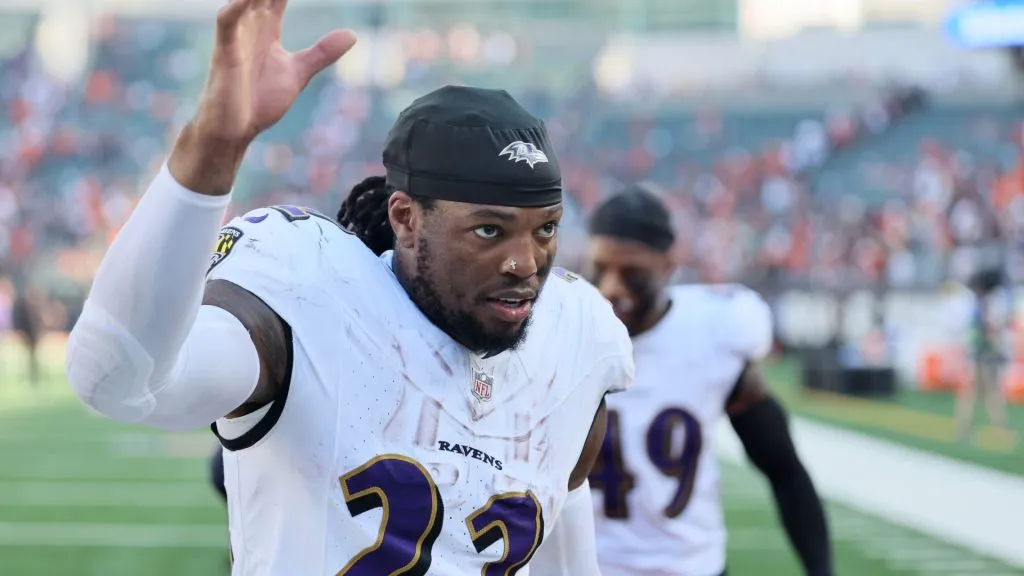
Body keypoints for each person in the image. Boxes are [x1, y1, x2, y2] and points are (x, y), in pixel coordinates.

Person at [64, 1, 633, 574]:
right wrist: (212, 149)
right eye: (490, 230)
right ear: (407, 218)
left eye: (546, 230)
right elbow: (115, 378)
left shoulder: (573, 337)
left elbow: (563, 514)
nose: (524, 262)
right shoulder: (313, 296)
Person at [584, 185, 832, 576]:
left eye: (632, 273)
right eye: (600, 268)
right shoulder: (558, 332)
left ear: (667, 267)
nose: (612, 287)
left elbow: (784, 469)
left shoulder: (716, 332)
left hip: (691, 567)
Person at [955, 268, 1009, 442]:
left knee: (972, 391)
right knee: (991, 390)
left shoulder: (974, 303)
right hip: (985, 353)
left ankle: (964, 427)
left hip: (975, 352)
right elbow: (990, 329)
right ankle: (999, 427)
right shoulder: (985, 304)